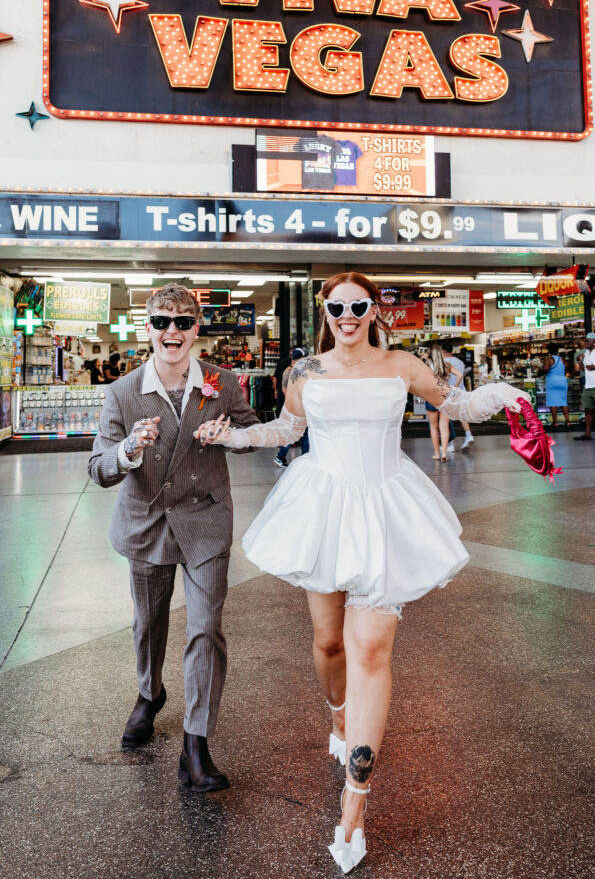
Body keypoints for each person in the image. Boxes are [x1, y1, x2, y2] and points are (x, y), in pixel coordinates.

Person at [195, 271, 525, 872]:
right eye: (337, 306)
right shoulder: (303, 373)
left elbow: (455, 403)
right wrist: (235, 436)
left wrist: (503, 393)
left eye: (359, 306)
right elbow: (288, 430)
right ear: (326, 310)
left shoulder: (402, 364)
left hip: (384, 507)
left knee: (370, 650)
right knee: (328, 642)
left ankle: (354, 805)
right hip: (322, 507)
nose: (348, 315)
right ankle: (338, 714)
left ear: (374, 310)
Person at [88, 284, 261, 791]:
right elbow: (98, 468)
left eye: (183, 322)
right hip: (146, 522)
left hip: (205, 520)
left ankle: (196, 743)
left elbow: (252, 433)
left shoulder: (222, 383)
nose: (172, 331)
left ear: (196, 328)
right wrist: (128, 450)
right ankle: (150, 693)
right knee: (149, 624)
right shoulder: (122, 392)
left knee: (205, 628)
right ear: (148, 328)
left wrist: (229, 434)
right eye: (163, 321)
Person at [425, 343, 462, 461]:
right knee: (444, 427)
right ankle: (444, 453)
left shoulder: (426, 367)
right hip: (445, 397)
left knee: (434, 427)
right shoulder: (446, 365)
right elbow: (460, 375)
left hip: (431, 396)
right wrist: (454, 388)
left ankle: (437, 454)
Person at [274, 347, 309, 468]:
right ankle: (281, 455)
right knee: (293, 433)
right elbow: (285, 390)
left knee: (304, 433)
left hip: (300, 407)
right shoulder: (289, 371)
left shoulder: (297, 370)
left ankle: (306, 457)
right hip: (295, 408)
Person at [441, 341, 474, 451]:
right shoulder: (460, 362)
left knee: (445, 418)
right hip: (461, 391)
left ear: (443, 352)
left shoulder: (444, 362)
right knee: (462, 415)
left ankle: (449, 444)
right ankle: (469, 435)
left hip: (449, 392)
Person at [542, 341, 570, 427]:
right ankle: (567, 421)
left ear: (549, 350)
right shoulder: (562, 359)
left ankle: (555, 422)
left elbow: (546, 369)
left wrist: (541, 371)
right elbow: (566, 368)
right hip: (562, 381)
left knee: (553, 402)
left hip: (552, 381)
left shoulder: (549, 359)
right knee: (563, 401)